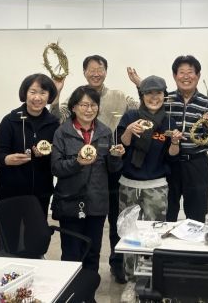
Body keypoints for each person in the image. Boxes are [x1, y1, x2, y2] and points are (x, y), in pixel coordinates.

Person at [52, 54, 138, 283]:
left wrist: (116, 156)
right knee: (71, 248)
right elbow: (56, 165)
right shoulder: (63, 130)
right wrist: (77, 162)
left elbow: (143, 108)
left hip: (100, 186)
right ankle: (70, 288)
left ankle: (100, 279)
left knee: (98, 241)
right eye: (83, 105)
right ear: (74, 107)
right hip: (71, 193)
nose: (88, 109)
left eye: (100, 69)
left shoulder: (110, 117)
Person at [128, 55, 208, 222]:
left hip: (197, 165)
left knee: (196, 217)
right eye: (181, 72)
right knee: (166, 214)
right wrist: (140, 84)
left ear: (198, 75)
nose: (186, 76)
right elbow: (148, 105)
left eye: (190, 72)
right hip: (169, 164)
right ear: (174, 76)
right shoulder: (166, 100)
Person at [118, 75, 182, 221]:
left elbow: (172, 157)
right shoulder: (130, 116)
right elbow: (121, 147)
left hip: (157, 187)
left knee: (154, 230)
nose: (154, 98)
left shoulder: (169, 122)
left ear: (164, 96)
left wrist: (175, 142)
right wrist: (128, 131)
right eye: (149, 93)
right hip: (128, 185)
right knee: (127, 230)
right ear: (142, 96)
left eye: (158, 93)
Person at [0, 74, 59, 218]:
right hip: (10, 191)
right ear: (25, 93)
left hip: (41, 193)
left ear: (49, 96)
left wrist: (47, 154)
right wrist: (7, 159)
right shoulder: (9, 121)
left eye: (43, 93)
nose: (37, 98)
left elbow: (58, 156)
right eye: (33, 92)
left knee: (37, 231)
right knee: (10, 231)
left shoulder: (54, 124)